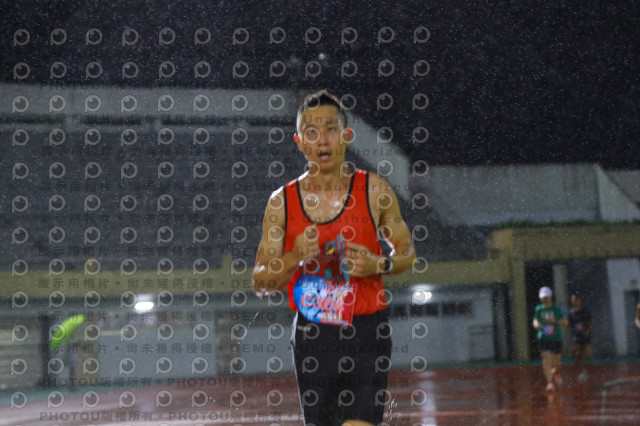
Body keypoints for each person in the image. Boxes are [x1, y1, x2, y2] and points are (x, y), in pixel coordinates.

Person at [252, 90, 416, 426]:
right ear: (299, 142)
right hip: (313, 336)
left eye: (330, 129)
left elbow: (407, 253)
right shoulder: (281, 202)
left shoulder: (375, 191)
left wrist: (379, 264)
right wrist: (295, 256)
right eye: (311, 132)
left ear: (347, 135)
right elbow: (261, 282)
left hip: (367, 330)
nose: (322, 140)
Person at [533, 286, 568, 392]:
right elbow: (535, 320)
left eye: (547, 297)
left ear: (550, 297)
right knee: (546, 359)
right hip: (544, 337)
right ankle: (550, 383)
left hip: (556, 338)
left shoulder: (556, 308)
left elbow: (565, 322)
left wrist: (555, 321)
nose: (545, 299)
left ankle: (556, 373)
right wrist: (536, 324)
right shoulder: (539, 309)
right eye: (543, 297)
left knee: (557, 363)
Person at [567, 294, 594, 381]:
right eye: (573, 300)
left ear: (579, 300)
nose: (574, 302)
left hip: (586, 335)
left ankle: (585, 370)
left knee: (587, 355)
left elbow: (591, 321)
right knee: (575, 353)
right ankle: (582, 371)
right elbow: (570, 324)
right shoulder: (570, 313)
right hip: (577, 336)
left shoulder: (585, 311)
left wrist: (588, 330)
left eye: (576, 300)